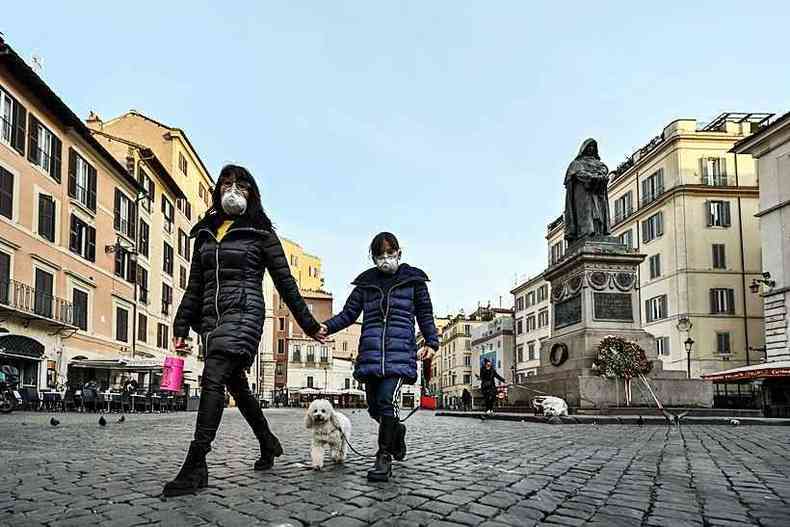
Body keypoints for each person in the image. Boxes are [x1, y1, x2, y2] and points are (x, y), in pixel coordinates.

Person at [163, 165, 324, 497]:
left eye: (241, 185)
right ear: (217, 190)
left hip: (246, 315)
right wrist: (181, 324)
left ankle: (196, 464)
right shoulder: (206, 233)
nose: (232, 190)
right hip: (212, 321)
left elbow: (286, 284)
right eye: (226, 184)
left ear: (252, 194)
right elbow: (195, 285)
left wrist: (309, 325)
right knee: (236, 385)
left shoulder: (261, 233)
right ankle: (267, 441)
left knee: (214, 375)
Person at [319, 232, 439, 482]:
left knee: (386, 402)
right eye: (380, 254)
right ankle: (397, 431)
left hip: (399, 354)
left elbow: (425, 314)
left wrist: (432, 342)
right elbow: (349, 314)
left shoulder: (414, 280)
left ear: (399, 253)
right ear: (373, 257)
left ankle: (383, 456)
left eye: (390, 253)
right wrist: (326, 327)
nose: (386, 258)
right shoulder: (366, 283)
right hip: (371, 354)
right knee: (375, 408)